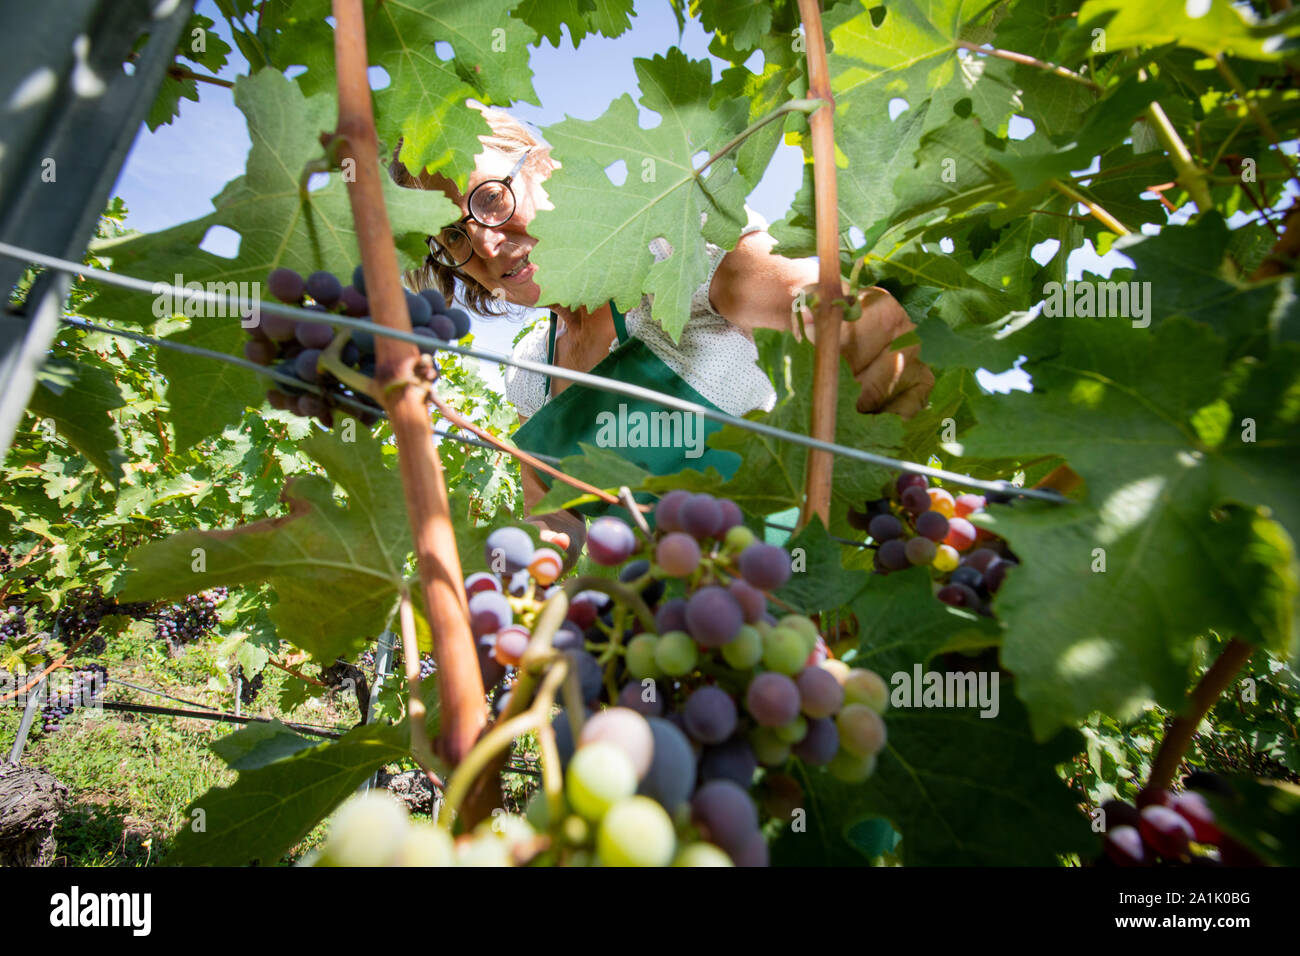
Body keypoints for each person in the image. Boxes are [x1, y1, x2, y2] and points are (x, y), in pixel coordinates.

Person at [391, 105, 932, 565]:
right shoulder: (529, 374)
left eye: (489, 198)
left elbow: (777, 284)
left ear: (544, 167)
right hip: (687, 643)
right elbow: (557, 518)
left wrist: (837, 313)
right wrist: (508, 560)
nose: (486, 245)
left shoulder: (672, 257)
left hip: (815, 598)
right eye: (455, 235)